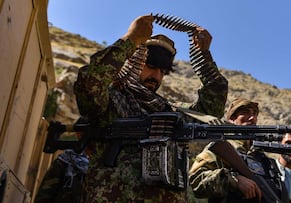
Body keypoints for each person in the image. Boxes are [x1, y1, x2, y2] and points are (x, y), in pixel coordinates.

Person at [73, 14, 228, 202]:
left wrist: (203, 57)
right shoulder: (111, 101)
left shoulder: (168, 113)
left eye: (163, 71)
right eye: (151, 66)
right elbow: (89, 83)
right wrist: (131, 38)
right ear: (132, 61)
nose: (156, 76)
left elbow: (211, 110)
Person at [189, 98, 289, 203]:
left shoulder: (264, 159)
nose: (252, 118)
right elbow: (196, 181)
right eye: (245, 113)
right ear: (232, 119)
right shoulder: (222, 148)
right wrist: (234, 180)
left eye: (255, 114)